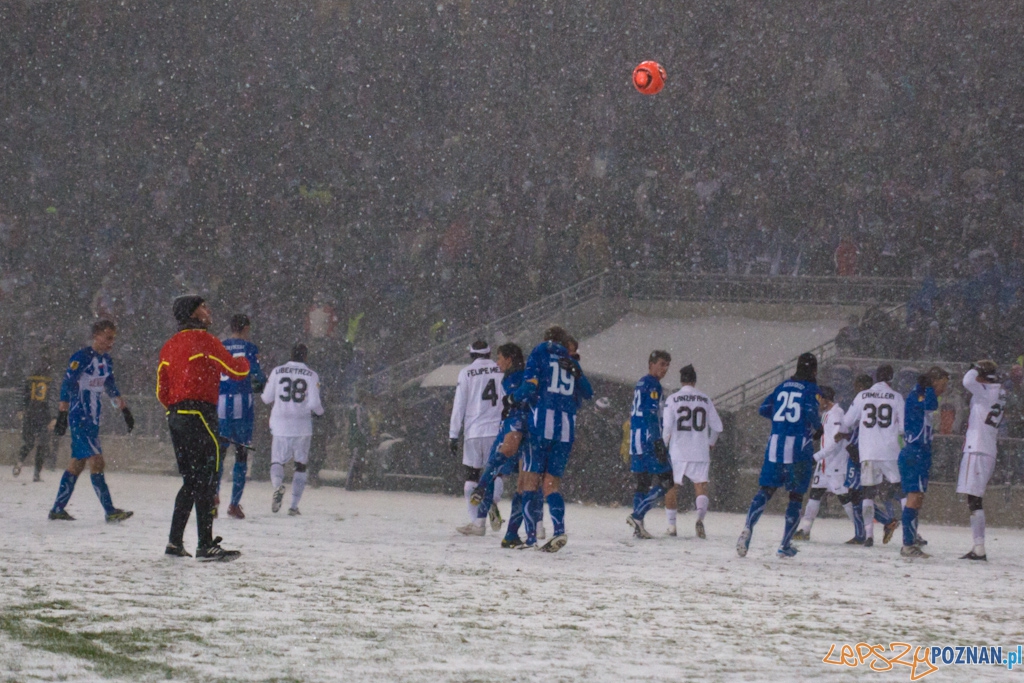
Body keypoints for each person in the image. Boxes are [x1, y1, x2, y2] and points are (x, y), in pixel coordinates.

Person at [158, 296, 248, 561]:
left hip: (176, 416)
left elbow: (161, 391)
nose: (209, 311)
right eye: (204, 307)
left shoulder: (169, 346)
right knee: (207, 479)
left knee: (190, 481)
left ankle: (174, 543)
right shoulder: (206, 341)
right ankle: (205, 544)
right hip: (201, 413)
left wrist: (177, 407)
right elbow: (236, 371)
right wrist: (246, 360)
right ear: (194, 314)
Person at [509, 326, 593, 551]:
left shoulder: (539, 352)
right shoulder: (571, 361)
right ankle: (558, 530)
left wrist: (512, 399)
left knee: (529, 481)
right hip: (565, 430)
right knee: (551, 485)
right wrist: (576, 370)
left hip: (541, 426)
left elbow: (529, 387)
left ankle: (531, 538)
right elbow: (588, 393)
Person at [736, 352, 821, 558]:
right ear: (813, 370)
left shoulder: (781, 386)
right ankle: (784, 544)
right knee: (796, 495)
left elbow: (764, 408)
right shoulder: (811, 389)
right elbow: (810, 412)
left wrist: (779, 419)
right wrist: (818, 429)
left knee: (766, 489)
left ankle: (748, 527)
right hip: (798, 447)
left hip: (775, 445)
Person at [48, 320, 134, 522]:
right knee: (97, 461)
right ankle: (110, 511)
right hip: (80, 417)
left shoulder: (107, 361)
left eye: (113, 338)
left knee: (77, 465)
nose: (111, 342)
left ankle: (57, 509)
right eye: (108, 337)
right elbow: (68, 383)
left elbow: (110, 385)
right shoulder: (81, 357)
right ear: (96, 335)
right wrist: (63, 413)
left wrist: (125, 410)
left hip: (92, 419)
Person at [460, 343, 527, 541]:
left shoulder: (512, 377)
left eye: (500, 358)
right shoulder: (505, 375)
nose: (497, 362)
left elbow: (519, 400)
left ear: (509, 359)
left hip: (509, 429)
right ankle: (534, 529)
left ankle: (482, 503)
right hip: (505, 428)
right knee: (520, 479)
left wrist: (453, 433)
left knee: (492, 468)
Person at [840, 365, 904, 547]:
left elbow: (847, 422)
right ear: (891, 378)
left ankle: (869, 536)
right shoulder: (897, 397)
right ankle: (910, 534)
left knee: (867, 493)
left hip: (868, 451)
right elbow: (903, 427)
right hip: (890, 451)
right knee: (901, 489)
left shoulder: (863, 395)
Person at [261, 343, 325, 515]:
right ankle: (294, 506)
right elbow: (314, 403)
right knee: (300, 465)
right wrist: (321, 413)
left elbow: (266, 398)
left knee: (277, 461)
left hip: (280, 423)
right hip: (302, 425)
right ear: (305, 356)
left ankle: (277, 487)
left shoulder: (277, 371)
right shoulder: (311, 375)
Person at [661, 364, 722, 539]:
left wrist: (663, 445)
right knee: (701, 486)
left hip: (678, 451)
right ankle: (699, 519)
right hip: (700, 450)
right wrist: (710, 442)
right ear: (694, 381)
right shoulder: (705, 399)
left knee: (672, 487)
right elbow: (718, 427)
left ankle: (672, 526)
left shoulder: (672, 399)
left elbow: (667, 427)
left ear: (681, 381)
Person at [448, 340, 504, 529]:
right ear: (489, 353)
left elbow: (459, 405)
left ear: (471, 355)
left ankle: (475, 523)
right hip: (497, 431)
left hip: (474, 431)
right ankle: (492, 502)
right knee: (495, 474)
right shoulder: (500, 370)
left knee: (472, 476)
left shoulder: (466, 373)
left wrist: (453, 434)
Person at [792, 386, 859, 541]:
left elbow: (835, 442)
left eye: (818, 399)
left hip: (835, 463)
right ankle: (805, 530)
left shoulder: (837, 414)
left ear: (825, 399)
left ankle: (859, 530)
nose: (817, 403)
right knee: (814, 495)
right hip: (825, 464)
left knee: (844, 498)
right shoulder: (827, 414)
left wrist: (817, 456)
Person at [217, 313, 267, 519]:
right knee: (241, 452)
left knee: (219, 453)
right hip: (242, 405)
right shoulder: (249, 348)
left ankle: (212, 497)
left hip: (221, 404)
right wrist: (260, 384)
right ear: (246, 328)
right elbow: (258, 375)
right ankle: (234, 504)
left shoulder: (220, 347)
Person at [897, 367, 948, 559]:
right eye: (943, 384)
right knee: (914, 497)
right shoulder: (917, 396)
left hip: (922, 453)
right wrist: (927, 388)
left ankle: (911, 540)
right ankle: (907, 545)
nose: (944, 389)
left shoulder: (921, 394)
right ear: (934, 381)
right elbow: (932, 404)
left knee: (918, 498)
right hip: (914, 452)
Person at [957, 361, 1005, 561]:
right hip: (986, 449)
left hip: (977, 449)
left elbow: (967, 380)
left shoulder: (986, 391)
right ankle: (978, 546)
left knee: (974, 499)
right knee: (974, 499)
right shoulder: (998, 392)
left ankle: (979, 547)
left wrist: (976, 367)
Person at [626, 351, 672, 539]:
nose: (665, 369)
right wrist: (657, 441)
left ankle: (639, 528)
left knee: (642, 483)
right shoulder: (653, 384)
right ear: (651, 364)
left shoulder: (641, 382)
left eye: (667, 365)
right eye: (661, 364)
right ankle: (638, 516)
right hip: (647, 438)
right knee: (667, 480)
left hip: (635, 437)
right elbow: (651, 413)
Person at [14, 349, 56, 482]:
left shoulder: (30, 375)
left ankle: (20, 462)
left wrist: (21, 409)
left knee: (30, 442)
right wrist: (54, 416)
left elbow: (21, 392)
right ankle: (36, 474)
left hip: (32, 413)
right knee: (41, 444)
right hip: (43, 414)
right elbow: (53, 397)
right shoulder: (51, 378)